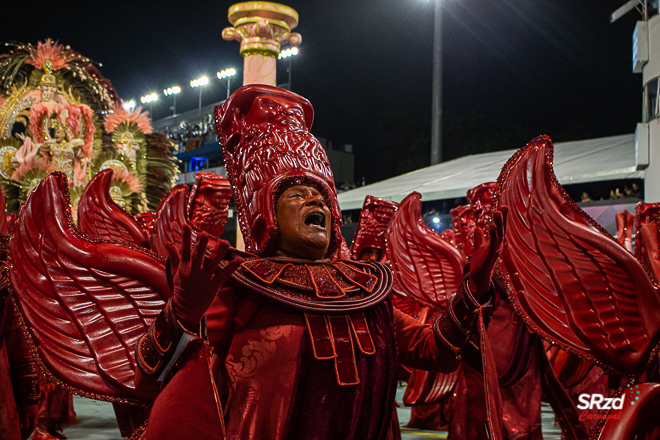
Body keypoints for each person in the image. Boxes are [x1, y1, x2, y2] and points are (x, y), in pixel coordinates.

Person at [134, 85, 507, 440]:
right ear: (267, 217)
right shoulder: (237, 282)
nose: (317, 204)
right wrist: (182, 312)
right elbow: (150, 375)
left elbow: (436, 350)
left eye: (322, 197)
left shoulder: (365, 288)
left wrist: (475, 285)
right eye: (298, 194)